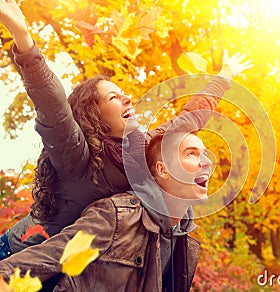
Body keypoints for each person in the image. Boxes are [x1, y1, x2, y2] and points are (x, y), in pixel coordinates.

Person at [0, 0, 252, 259]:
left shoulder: (142, 150)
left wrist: (224, 77)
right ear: (94, 116)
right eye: (113, 98)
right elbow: (53, 104)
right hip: (16, 253)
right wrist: (22, 35)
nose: (128, 99)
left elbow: (190, 118)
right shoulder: (75, 154)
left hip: (67, 266)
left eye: (124, 94)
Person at [0, 128, 213, 291]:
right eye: (191, 153)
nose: (206, 162)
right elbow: (48, 257)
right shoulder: (117, 215)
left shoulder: (183, 238)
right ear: (163, 170)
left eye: (205, 154)